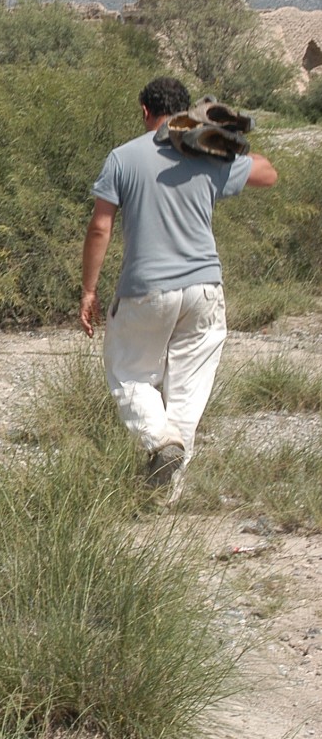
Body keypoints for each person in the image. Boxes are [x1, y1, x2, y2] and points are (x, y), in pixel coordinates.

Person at [79, 76, 277, 495]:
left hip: (146, 289)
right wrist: (228, 140)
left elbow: (100, 228)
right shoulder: (205, 153)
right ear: (186, 110)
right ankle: (165, 492)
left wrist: (89, 291)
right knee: (189, 387)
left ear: (145, 111)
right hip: (205, 289)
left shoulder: (123, 157)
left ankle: (158, 442)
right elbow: (268, 173)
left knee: (131, 375)